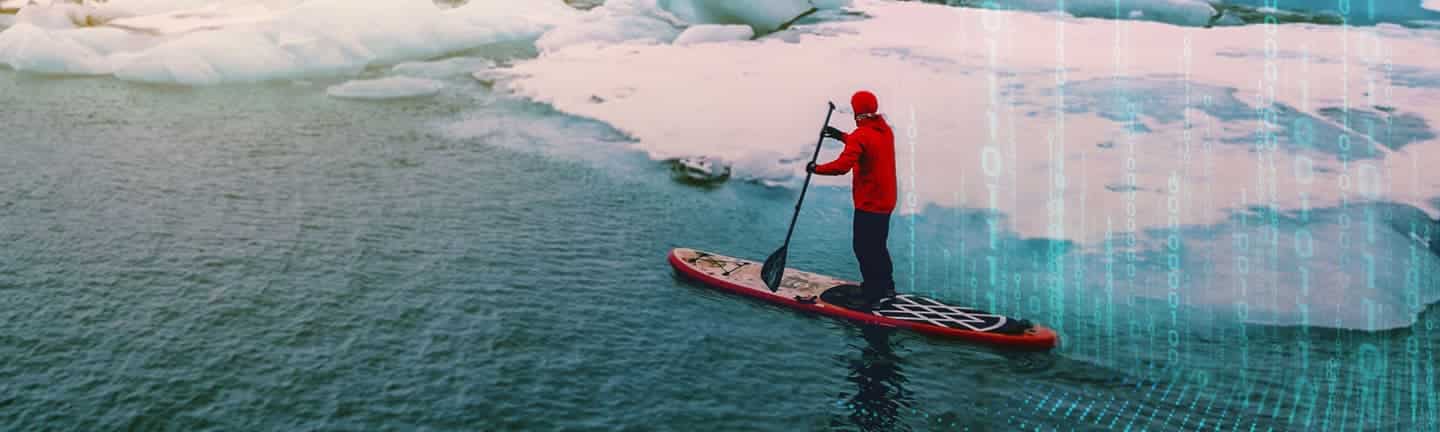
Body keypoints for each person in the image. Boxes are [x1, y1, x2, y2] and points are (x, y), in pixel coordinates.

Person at [806, 90, 897, 306]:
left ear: (856, 111)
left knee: (863, 247)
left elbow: (841, 167)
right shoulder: (885, 131)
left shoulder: (861, 136)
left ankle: (873, 291)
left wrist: (815, 168)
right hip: (886, 200)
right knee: (878, 246)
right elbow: (867, 142)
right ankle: (886, 286)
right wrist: (842, 136)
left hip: (869, 202)